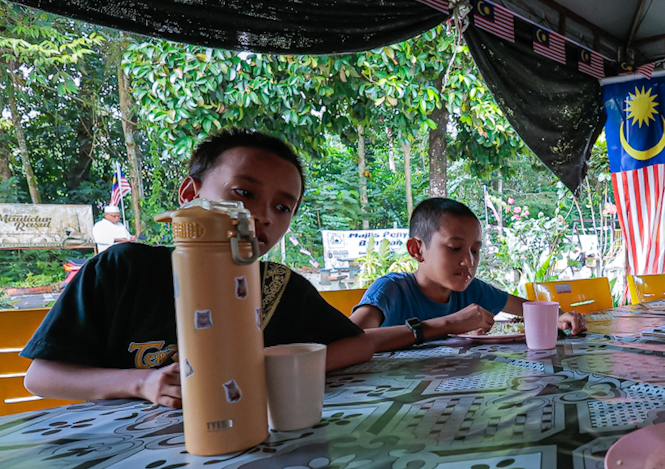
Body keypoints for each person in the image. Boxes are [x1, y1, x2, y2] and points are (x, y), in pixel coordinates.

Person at [22, 129, 375, 409]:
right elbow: (41, 376)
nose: (263, 216)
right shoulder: (123, 270)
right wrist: (142, 383)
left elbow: (356, 346)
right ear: (190, 194)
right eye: (244, 193)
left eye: (283, 207)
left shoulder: (279, 287)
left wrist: (262, 367)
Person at [350, 198, 586, 346]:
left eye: (475, 250)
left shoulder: (472, 290)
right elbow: (347, 342)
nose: (468, 262)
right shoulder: (391, 291)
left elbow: (528, 308)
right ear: (417, 250)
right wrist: (448, 323)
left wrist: (561, 317)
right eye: (455, 248)